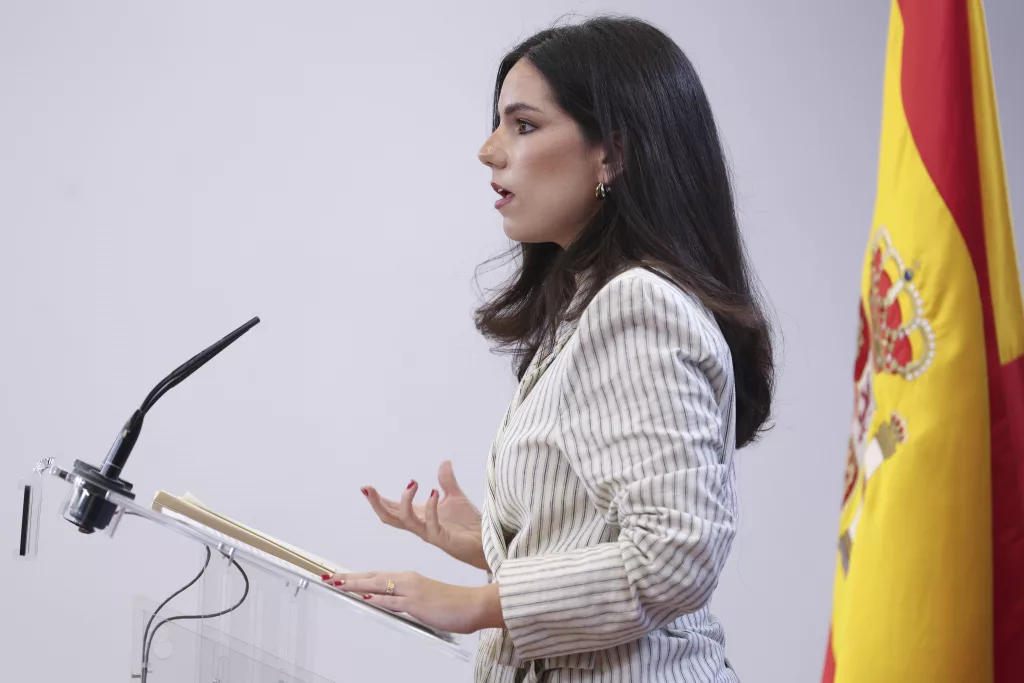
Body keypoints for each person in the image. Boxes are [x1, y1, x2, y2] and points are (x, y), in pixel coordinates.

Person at [323, 14, 775, 682]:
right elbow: (613, 542)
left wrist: (475, 605)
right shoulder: (590, 303)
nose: (489, 150)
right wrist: (490, 540)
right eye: (498, 123)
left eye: (524, 125)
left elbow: (675, 556)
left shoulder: (637, 305)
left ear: (612, 155)